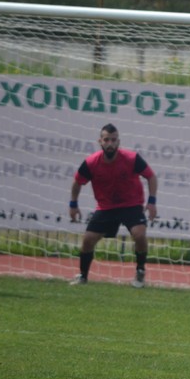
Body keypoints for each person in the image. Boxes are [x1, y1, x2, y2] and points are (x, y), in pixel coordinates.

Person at [68, 123, 157, 287]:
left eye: (113, 140)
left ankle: (140, 271)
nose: (110, 143)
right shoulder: (91, 162)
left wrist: (152, 202)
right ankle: (83, 277)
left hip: (131, 205)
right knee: (88, 240)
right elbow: (77, 182)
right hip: (106, 207)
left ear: (118, 142)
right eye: (106, 140)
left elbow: (151, 176)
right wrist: (73, 204)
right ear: (100, 141)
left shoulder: (131, 159)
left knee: (139, 235)